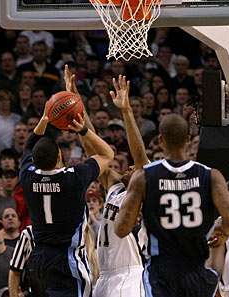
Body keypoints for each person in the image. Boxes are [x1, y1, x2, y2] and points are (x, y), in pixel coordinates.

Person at [113, 113, 229, 297]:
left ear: (160, 140)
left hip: (162, 271)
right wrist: (222, 233)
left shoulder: (143, 177)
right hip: (198, 269)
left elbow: (121, 229)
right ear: (188, 139)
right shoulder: (211, 176)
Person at [20, 87, 113, 296]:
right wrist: (82, 130)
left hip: (39, 259)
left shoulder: (27, 176)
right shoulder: (74, 177)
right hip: (68, 260)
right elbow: (107, 154)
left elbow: (28, 147)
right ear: (60, 155)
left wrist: (45, 118)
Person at [94, 75, 148, 297]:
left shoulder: (140, 191)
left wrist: (126, 112)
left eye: (131, 167)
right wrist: (78, 119)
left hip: (129, 274)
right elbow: (95, 154)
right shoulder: (115, 189)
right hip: (104, 274)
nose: (127, 169)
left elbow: (140, 158)